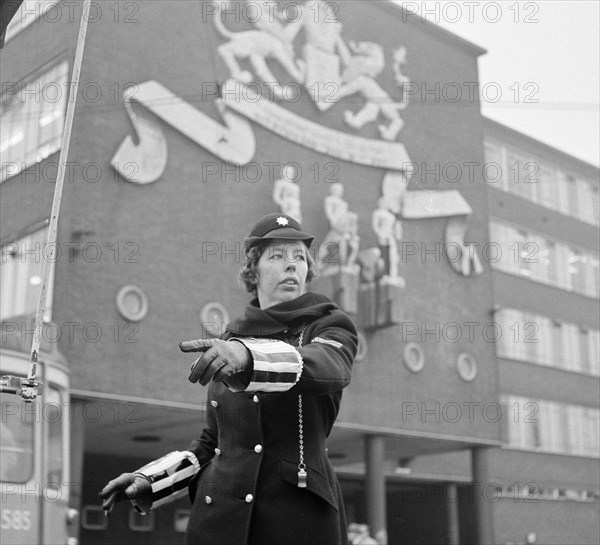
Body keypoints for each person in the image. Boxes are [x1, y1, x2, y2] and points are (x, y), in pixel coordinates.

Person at [99, 213, 358, 545]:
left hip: (296, 520)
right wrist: (150, 480)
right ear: (253, 270)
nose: (291, 265)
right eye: (277, 256)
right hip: (217, 522)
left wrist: (248, 358)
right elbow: (215, 444)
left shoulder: (328, 325)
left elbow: (330, 365)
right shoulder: (229, 339)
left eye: (299, 257)